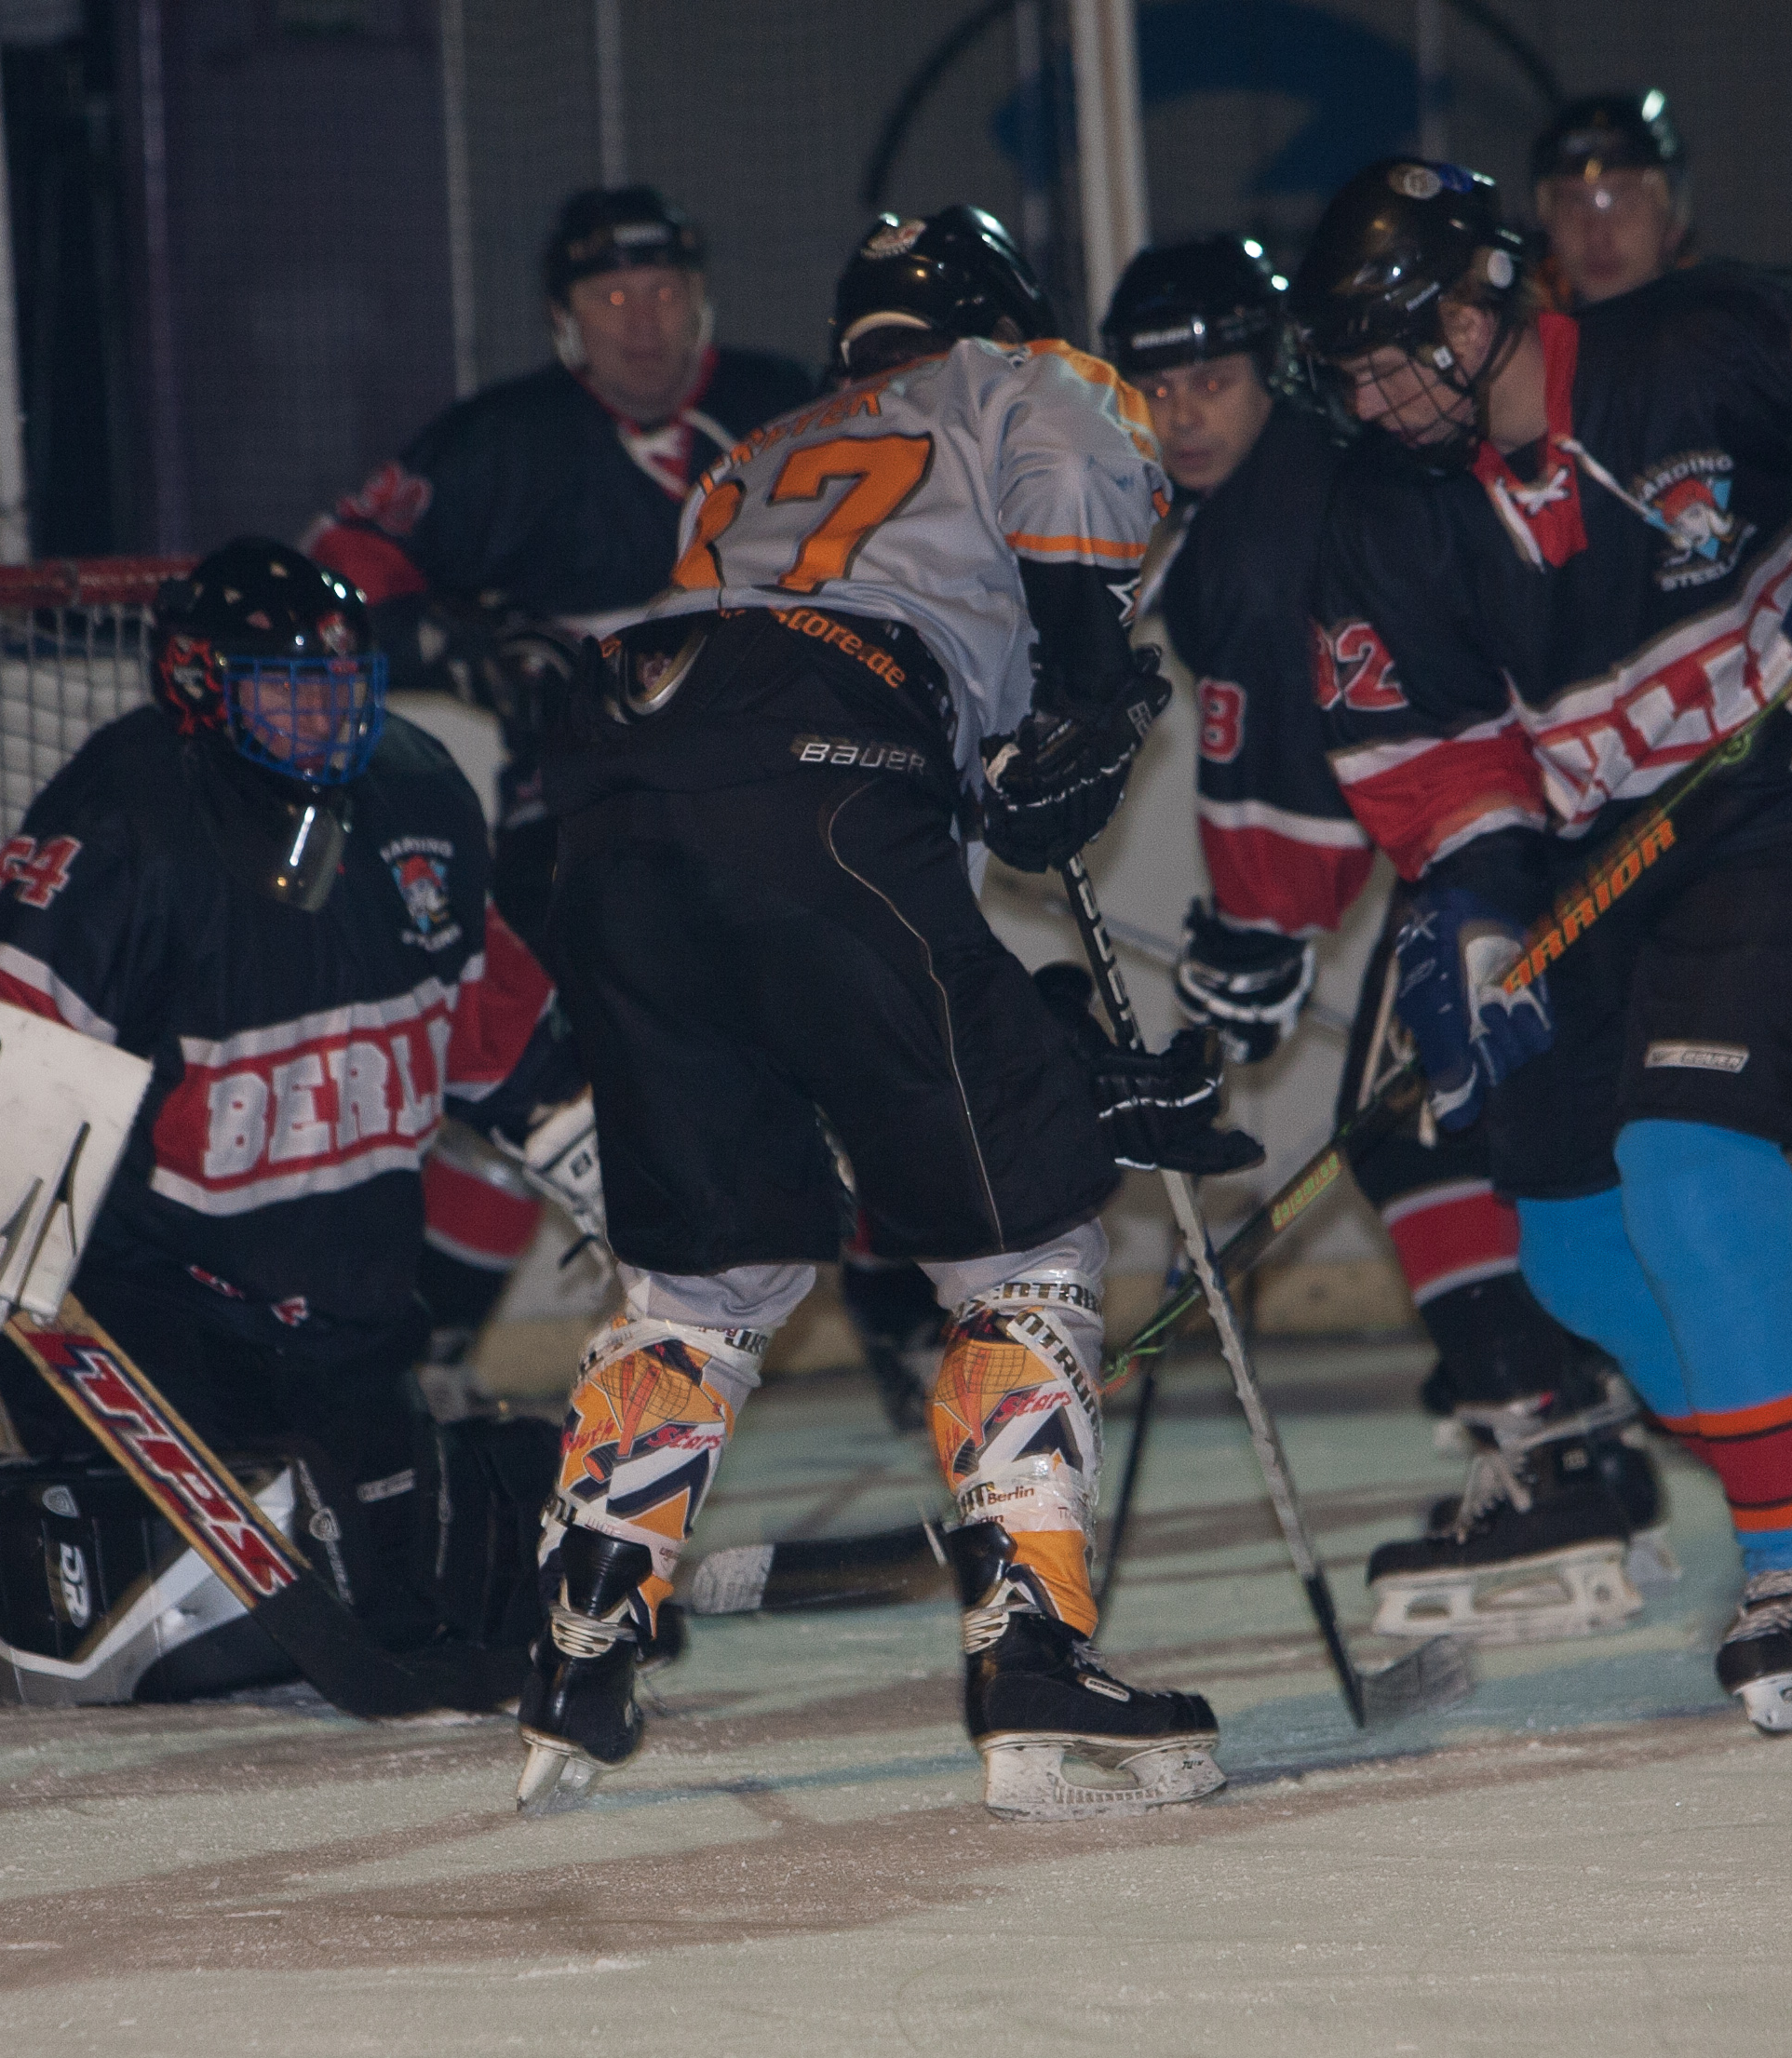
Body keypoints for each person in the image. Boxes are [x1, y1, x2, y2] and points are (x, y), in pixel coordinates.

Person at [518, 206, 1255, 1821]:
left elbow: (825, 865)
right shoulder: (1023, 373)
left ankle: (582, 1644)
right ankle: (1032, 1648)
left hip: (618, 781)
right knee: (1020, 1241)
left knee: (706, 1273)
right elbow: (1021, 619)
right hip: (827, 755)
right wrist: (1087, 678)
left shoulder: (748, 452)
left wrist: (1041, 1047)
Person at [1287, 157, 1792, 1731]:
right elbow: (1436, 758)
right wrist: (1479, 918)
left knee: (1691, 1157)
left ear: (1482, 305)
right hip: (1602, 850)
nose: (1370, 396)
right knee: (1571, 1242)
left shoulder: (1690, 345)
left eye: (1391, 354)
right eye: (1345, 370)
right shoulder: (1381, 510)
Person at [1113, 235, 1677, 1646]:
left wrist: (1254, 938)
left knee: (1414, 1131)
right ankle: (1586, 1431)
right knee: (1488, 1123)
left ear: (1274, 373)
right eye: (1158, 389)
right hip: (1571, 793)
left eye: (1213, 380)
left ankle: (1550, 1451)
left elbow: (1297, 791)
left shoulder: (1264, 537)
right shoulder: (1308, 479)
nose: (1185, 414)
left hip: (1509, 827)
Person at [0, 540, 584, 1650]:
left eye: (343, 688)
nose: (327, 718)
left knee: (418, 1588)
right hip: (158, 1315)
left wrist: (621, 1157)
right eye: (290, 690)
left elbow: (494, 1016)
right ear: (198, 683)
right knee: (204, 1630)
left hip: (347, 1319)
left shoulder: (415, 790)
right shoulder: (132, 809)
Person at [302, 187, 820, 1402]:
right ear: (565, 321)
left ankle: (909, 1330)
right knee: (541, 1081)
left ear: (702, 303)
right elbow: (334, 568)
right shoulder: (503, 443)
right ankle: (423, 1354)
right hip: (581, 825)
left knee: (852, 1047)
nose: (642, 321)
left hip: (780, 809)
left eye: (664, 291)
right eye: (612, 295)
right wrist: (455, 644)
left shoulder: (787, 411)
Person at [1530, 90, 1698, 308]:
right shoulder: (1519, 325)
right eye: (1575, 206)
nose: (1597, 237)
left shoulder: (1721, 322)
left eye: (1624, 204)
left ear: (1674, 214)